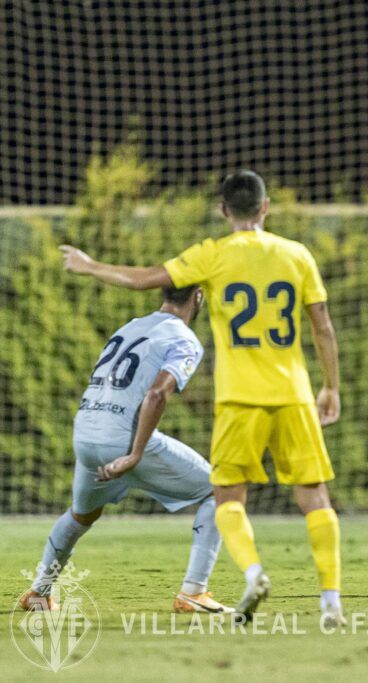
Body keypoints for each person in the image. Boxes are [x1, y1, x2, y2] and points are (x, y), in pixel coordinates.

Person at [59, 170, 344, 626]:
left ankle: (252, 573)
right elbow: (323, 324)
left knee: (227, 494)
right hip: (293, 393)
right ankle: (331, 598)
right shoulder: (297, 255)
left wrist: (89, 265)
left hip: (238, 398)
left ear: (224, 210)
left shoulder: (211, 256)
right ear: (266, 207)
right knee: (313, 494)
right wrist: (329, 385)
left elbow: (145, 280)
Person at [19, 285, 229, 614]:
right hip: (122, 439)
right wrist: (135, 453)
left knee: (81, 514)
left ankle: (39, 592)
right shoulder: (184, 338)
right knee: (218, 489)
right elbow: (157, 394)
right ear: (199, 296)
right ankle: (194, 593)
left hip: (87, 432)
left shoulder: (131, 326)